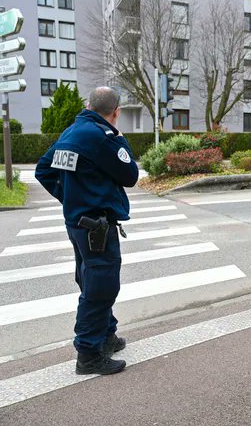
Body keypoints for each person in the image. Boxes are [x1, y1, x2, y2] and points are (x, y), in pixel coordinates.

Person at [36, 86, 139, 375]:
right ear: (115, 111)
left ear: (88, 105)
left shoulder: (72, 132)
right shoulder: (101, 136)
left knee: (91, 279)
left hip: (78, 223)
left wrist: (70, 199)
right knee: (101, 286)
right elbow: (130, 175)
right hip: (96, 225)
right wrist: (121, 140)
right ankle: (89, 353)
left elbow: (43, 170)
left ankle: (107, 335)